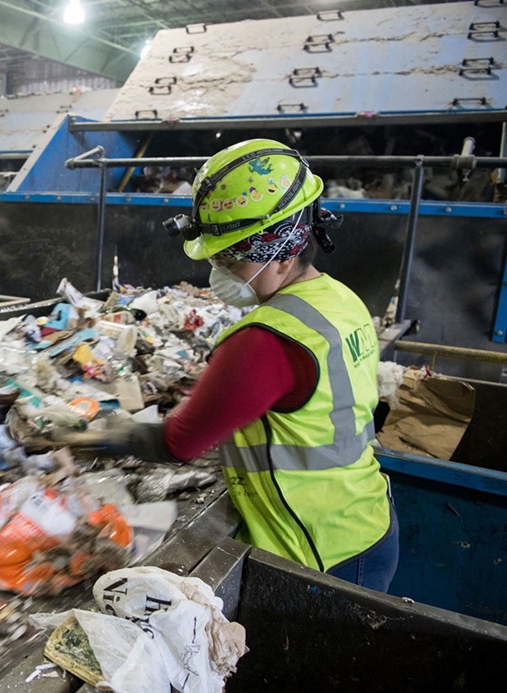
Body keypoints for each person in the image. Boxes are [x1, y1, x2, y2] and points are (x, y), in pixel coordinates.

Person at [103, 139, 398, 592]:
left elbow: (179, 443)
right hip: (366, 519)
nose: (218, 269)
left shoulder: (263, 340)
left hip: (317, 552)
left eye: (228, 257)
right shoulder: (340, 299)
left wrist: (95, 433)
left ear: (281, 251)